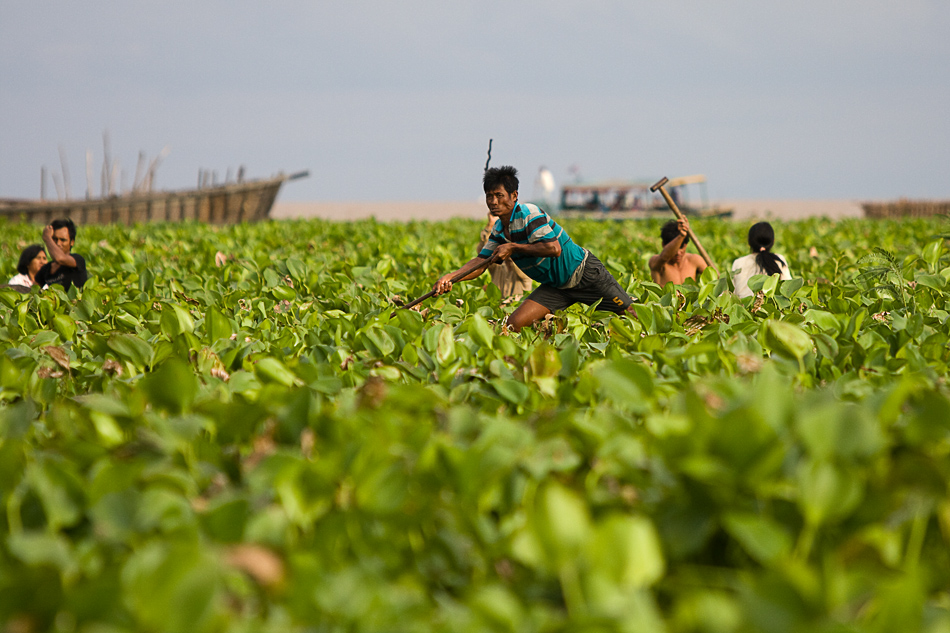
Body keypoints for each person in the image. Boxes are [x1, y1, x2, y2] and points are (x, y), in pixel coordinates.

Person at [434, 166, 634, 332]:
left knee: (631, 315)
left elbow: (553, 248)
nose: (493, 202)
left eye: (499, 195)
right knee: (513, 326)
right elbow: (481, 262)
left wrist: (512, 247)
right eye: (489, 196)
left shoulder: (529, 213)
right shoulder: (499, 230)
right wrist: (451, 277)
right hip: (556, 287)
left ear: (514, 196)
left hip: (584, 274)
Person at [476, 211, 533, 302]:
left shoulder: (524, 271)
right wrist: (490, 227)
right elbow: (482, 254)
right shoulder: (497, 267)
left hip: (515, 312)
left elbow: (515, 255)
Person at [732, 221, 791, 298]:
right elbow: (789, 290)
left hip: (742, 308)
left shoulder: (738, 263)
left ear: (749, 243)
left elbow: (731, 294)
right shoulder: (779, 260)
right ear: (773, 241)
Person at [35, 218, 88, 292]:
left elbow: (60, 259)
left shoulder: (78, 260)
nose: (58, 244)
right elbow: (34, 290)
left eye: (63, 240)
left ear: (72, 242)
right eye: (54, 239)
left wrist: (47, 237)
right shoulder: (45, 269)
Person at [649, 218, 707, 285]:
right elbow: (664, 257)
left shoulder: (694, 260)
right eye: (675, 250)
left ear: (686, 245)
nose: (678, 253)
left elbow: (713, 280)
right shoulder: (656, 262)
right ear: (663, 245)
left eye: (681, 248)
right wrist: (681, 236)